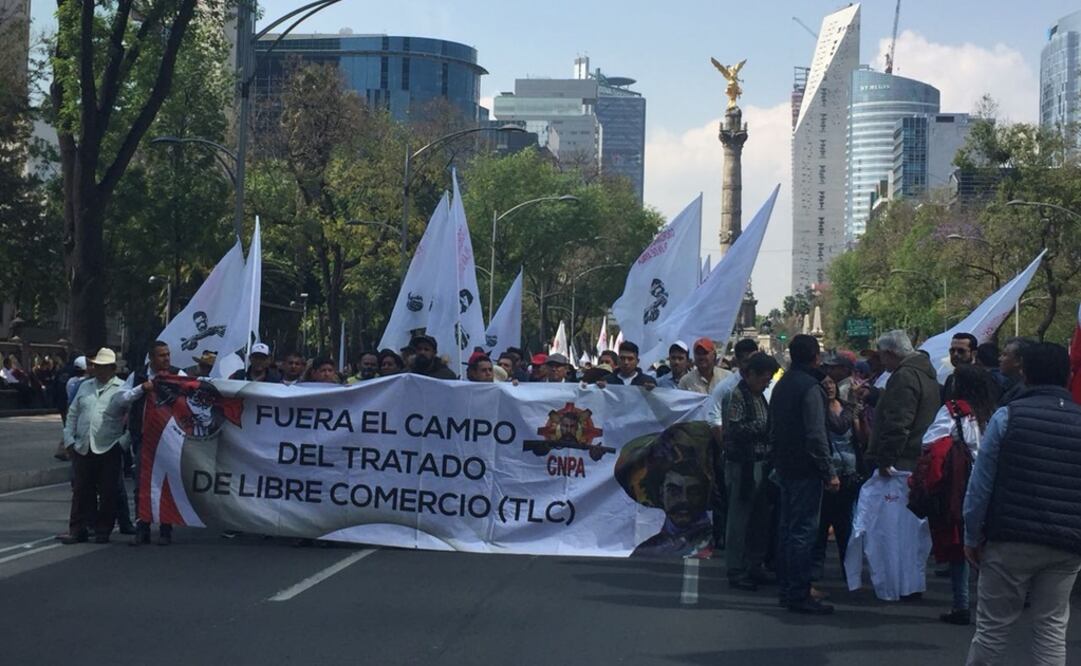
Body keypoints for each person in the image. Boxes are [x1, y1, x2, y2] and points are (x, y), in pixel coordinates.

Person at [964, 343, 1081, 664]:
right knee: (1051, 630)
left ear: (1025, 373)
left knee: (991, 630)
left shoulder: (1008, 416)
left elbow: (981, 484)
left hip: (1010, 539)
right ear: (1067, 374)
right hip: (1067, 542)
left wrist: (971, 536)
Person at [918, 364, 996, 626]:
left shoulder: (952, 410)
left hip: (961, 484)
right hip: (992, 482)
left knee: (960, 543)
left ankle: (961, 604)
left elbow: (930, 442)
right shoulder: (995, 413)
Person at [769, 334, 839, 614]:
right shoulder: (810, 388)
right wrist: (828, 471)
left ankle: (788, 588)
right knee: (802, 532)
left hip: (785, 465)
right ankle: (799, 592)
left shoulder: (783, 384)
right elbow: (815, 434)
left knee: (787, 529)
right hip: (805, 468)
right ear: (815, 357)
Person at [724, 352, 780, 590]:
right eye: (764, 377)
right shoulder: (737, 396)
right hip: (743, 465)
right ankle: (735, 569)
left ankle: (754, 565)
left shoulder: (759, 396)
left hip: (762, 462)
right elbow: (735, 429)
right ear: (750, 374)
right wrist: (766, 427)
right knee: (739, 519)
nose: (766, 382)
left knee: (760, 520)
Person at [60, 348, 129, 544]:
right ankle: (78, 529)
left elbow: (133, 419)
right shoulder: (85, 386)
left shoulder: (122, 388)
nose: (98, 370)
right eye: (96, 366)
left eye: (103, 367)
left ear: (112, 368)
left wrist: (123, 443)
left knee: (108, 491)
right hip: (83, 445)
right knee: (81, 490)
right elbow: (72, 414)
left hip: (109, 445)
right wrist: (69, 439)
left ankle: (103, 529)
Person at [125, 341, 184, 546]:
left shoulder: (179, 375)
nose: (167, 359)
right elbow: (121, 399)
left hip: (169, 439)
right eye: (161, 355)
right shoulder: (138, 376)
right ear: (151, 358)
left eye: (168, 354)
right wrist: (142, 389)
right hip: (143, 438)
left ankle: (166, 528)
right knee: (142, 482)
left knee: (166, 482)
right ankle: (143, 527)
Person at [867, 330, 940, 475]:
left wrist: (885, 460)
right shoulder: (924, 373)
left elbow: (899, 421)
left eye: (881, 355)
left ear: (890, 353)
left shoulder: (904, 376)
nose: (881, 361)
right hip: (918, 455)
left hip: (902, 462)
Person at [813, 374, 858, 583]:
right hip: (828, 472)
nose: (829, 387)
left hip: (849, 472)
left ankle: (848, 569)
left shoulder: (848, 407)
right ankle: (816, 569)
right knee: (821, 524)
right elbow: (831, 430)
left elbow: (859, 437)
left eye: (832, 382)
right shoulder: (818, 411)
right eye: (825, 384)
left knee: (845, 524)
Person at [997, 337, 1032, 405]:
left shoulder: (1022, 392)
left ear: (1018, 361)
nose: (999, 359)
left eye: (1004, 355)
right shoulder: (1009, 385)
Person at [943, 332, 978, 402]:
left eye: (961, 351)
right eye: (952, 350)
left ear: (974, 353)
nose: (955, 354)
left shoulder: (981, 379)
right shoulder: (951, 379)